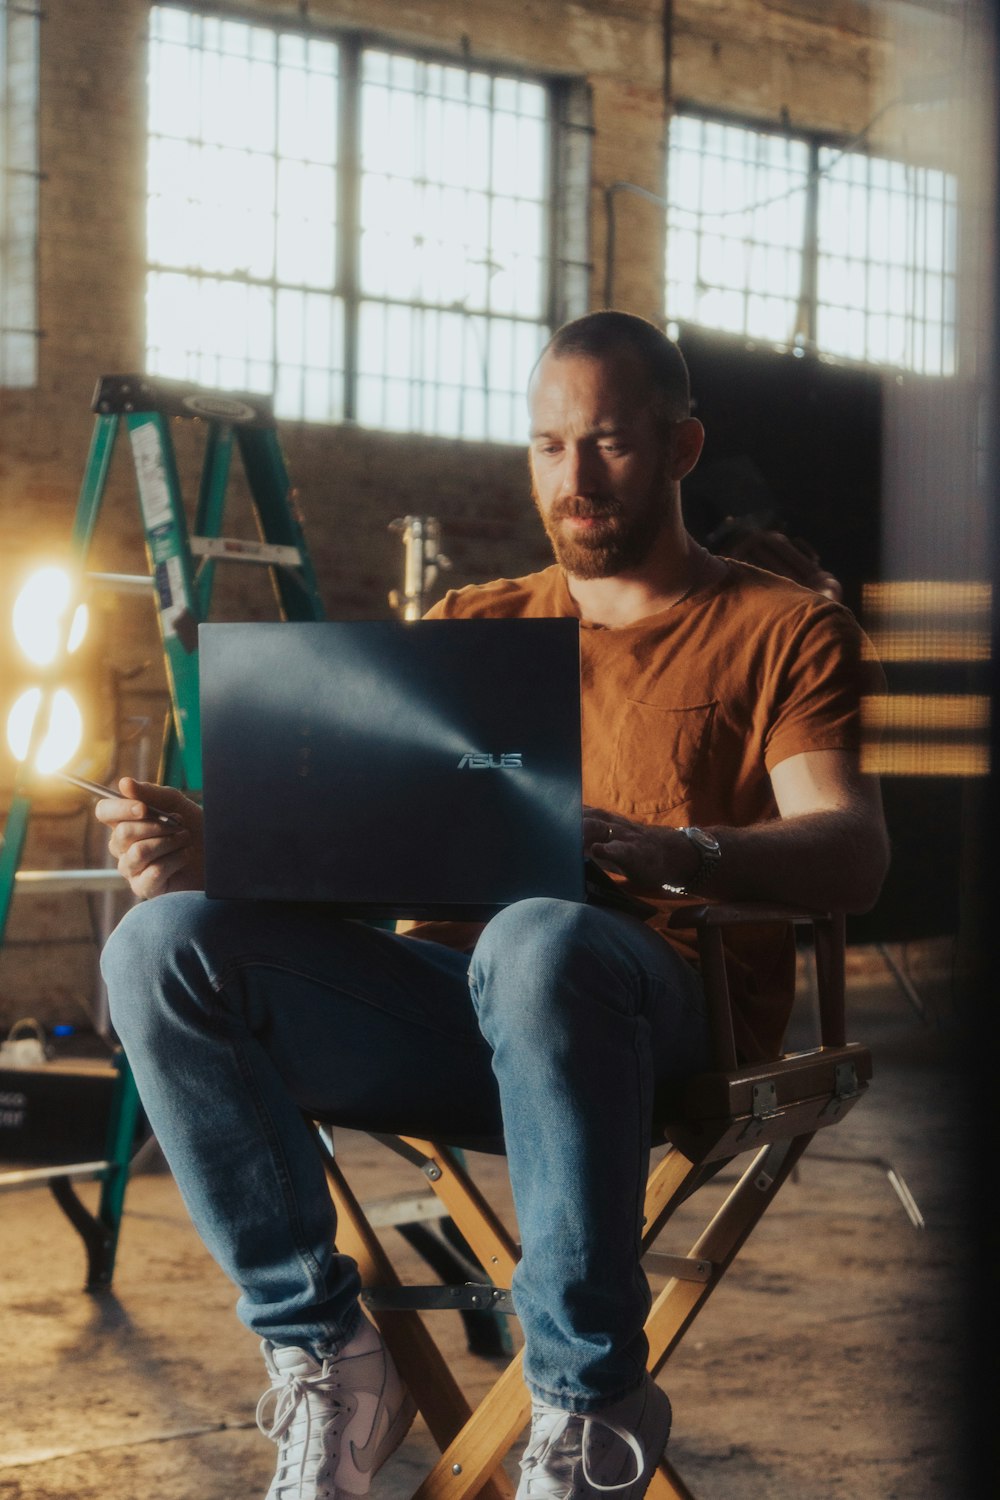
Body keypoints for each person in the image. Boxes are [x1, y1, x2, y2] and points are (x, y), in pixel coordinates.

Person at [97, 311, 889, 1500]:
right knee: (161, 947)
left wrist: (678, 853)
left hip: (661, 1021)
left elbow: (849, 850)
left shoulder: (782, 629)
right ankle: (327, 1353)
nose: (571, 480)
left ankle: (581, 1404)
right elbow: (376, 848)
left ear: (681, 447)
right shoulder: (474, 623)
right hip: (453, 1016)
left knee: (537, 935)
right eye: (546, 446)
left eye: (609, 443)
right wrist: (220, 849)